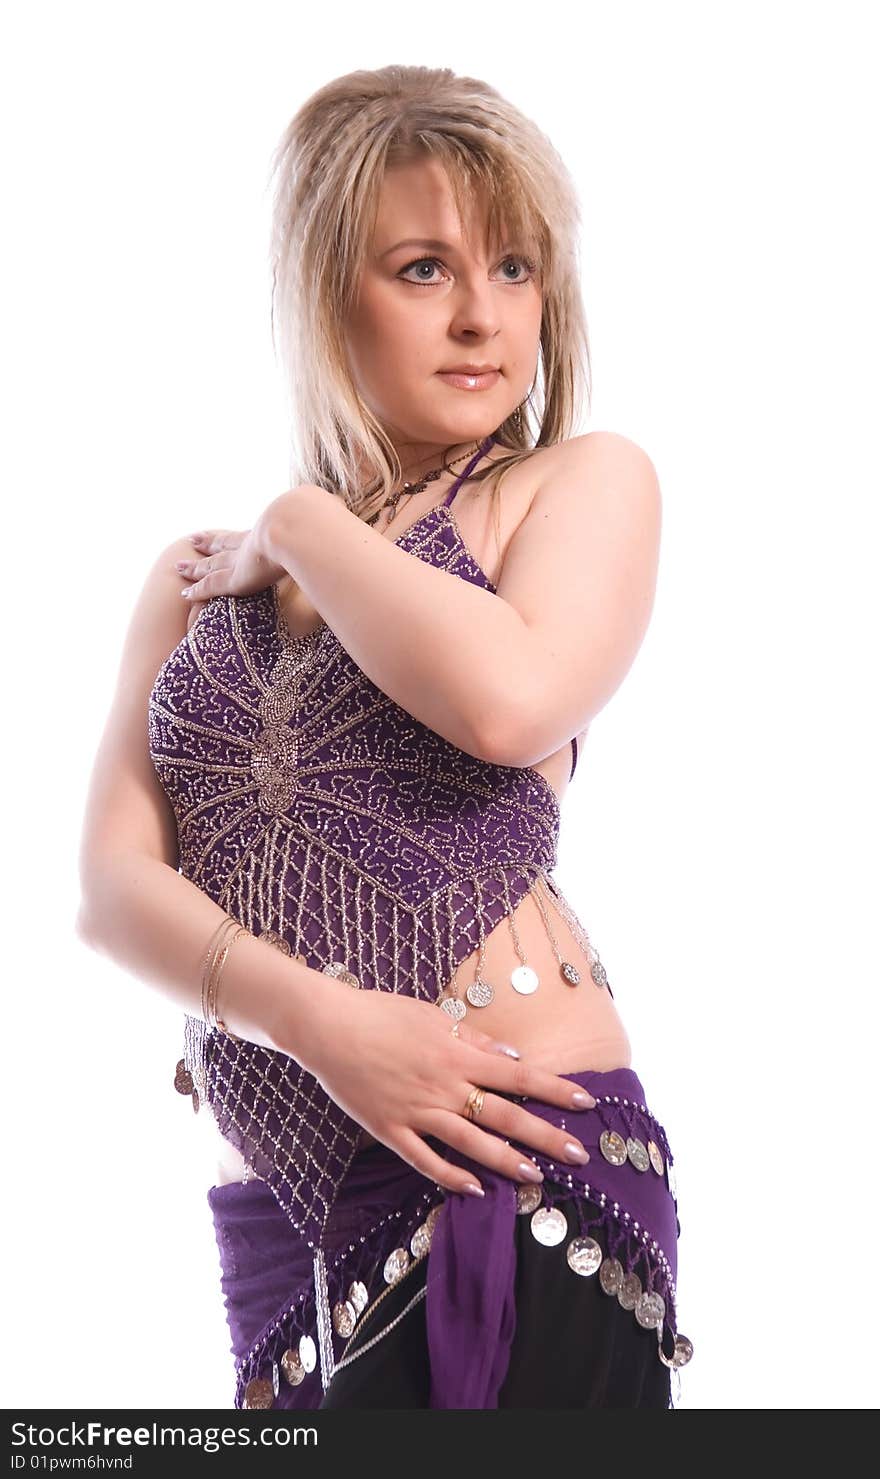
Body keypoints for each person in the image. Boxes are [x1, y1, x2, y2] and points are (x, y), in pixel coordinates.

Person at [77, 63, 693, 1410]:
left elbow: (508, 700)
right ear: (321, 293)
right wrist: (318, 1023)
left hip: (505, 1162)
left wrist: (302, 523)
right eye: (424, 269)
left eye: (517, 268)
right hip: (280, 1222)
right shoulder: (189, 581)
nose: (483, 315)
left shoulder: (573, 488)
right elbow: (112, 893)